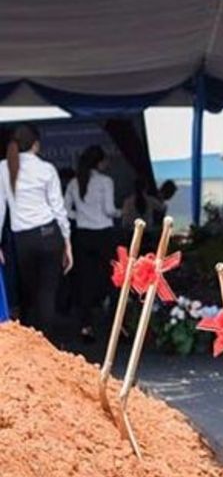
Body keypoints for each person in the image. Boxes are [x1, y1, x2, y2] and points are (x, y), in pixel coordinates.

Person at [0, 124, 73, 337]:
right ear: (36, 145)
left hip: (23, 239)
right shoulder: (46, 169)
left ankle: (33, 343)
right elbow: (58, 208)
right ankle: (47, 342)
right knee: (47, 293)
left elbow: (0, 208)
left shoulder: (3, 168)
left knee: (29, 293)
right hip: (49, 233)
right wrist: (67, 241)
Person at [64, 144, 120, 341]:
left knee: (85, 281)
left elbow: (65, 210)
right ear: (100, 162)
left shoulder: (74, 182)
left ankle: (85, 327)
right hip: (103, 234)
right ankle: (117, 327)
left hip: (82, 235)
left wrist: (79, 216)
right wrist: (121, 213)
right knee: (113, 279)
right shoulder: (106, 181)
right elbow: (109, 210)